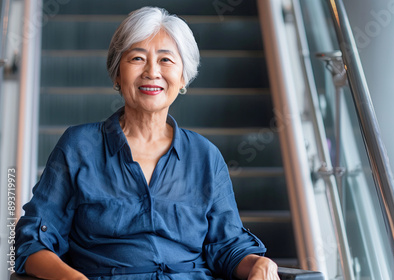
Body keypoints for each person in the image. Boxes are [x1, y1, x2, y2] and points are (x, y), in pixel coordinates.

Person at [14, 6, 279, 280]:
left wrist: (259, 264)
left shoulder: (205, 156)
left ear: (184, 77)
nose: (152, 72)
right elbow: (32, 242)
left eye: (166, 60)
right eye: (138, 58)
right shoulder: (78, 147)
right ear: (117, 74)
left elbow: (228, 247)